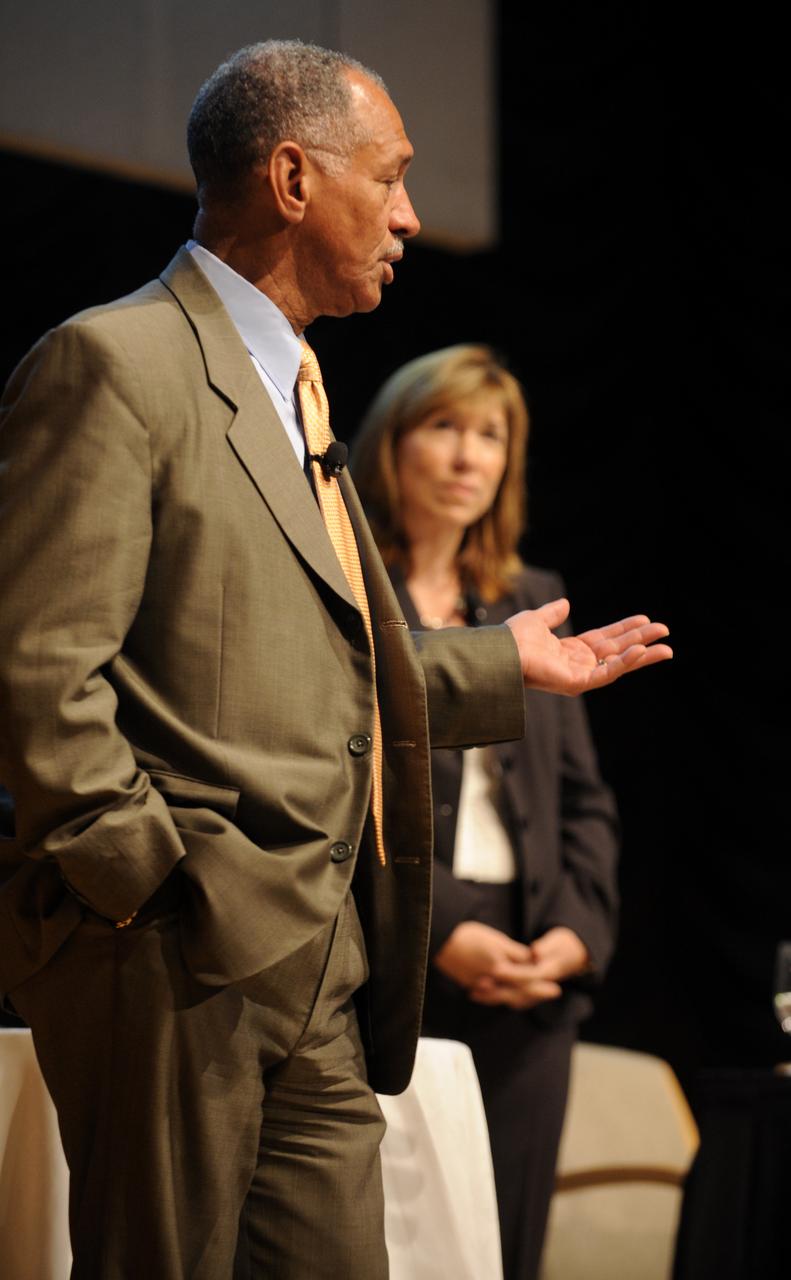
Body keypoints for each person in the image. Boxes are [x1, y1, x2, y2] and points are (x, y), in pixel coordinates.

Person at [0, 41, 671, 1280]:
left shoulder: (299, 386)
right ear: (295, 178)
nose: (411, 215)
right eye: (392, 176)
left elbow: (307, 654)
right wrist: (148, 889)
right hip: (175, 948)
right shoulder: (114, 363)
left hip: (324, 954)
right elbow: (40, 677)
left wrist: (496, 664)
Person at [352, 344, 620, 1280]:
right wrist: (441, 932)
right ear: (393, 442)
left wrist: (576, 933)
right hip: (396, 947)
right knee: (400, 1234)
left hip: (531, 957)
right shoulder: (349, 587)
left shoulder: (527, 599)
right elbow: (339, 783)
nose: (470, 457)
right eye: (445, 428)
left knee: (505, 1244)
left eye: (491, 436)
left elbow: (582, 799)